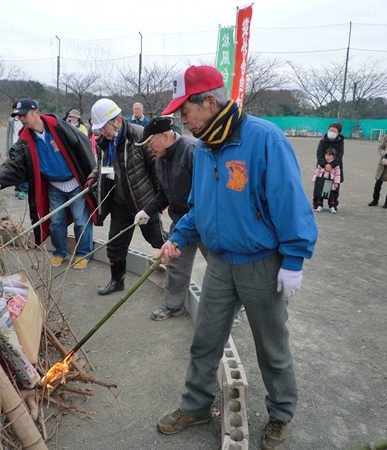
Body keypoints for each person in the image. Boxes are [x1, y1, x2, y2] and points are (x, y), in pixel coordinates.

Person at [154, 66, 317, 450]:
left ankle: (280, 415)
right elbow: (198, 207)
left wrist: (294, 260)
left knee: (271, 347)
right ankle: (195, 406)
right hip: (221, 265)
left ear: (209, 102)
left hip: (261, 263)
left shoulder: (264, 139)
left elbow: (290, 203)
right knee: (205, 339)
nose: (182, 119)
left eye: (185, 111)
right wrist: (178, 235)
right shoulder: (205, 146)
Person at [0, 98, 96, 268]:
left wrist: (91, 175)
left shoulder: (59, 128)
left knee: (81, 220)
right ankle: (60, 251)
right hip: (54, 186)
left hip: (75, 183)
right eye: (19, 116)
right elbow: (14, 162)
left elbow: (82, 145)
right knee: (56, 222)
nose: (22, 119)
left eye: (24, 115)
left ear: (36, 113)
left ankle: (83, 252)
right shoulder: (25, 139)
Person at [86, 98, 166, 295]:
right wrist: (92, 179)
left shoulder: (139, 135)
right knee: (115, 245)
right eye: (99, 128)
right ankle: (117, 281)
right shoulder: (104, 143)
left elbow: (157, 170)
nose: (101, 132)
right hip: (119, 203)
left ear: (117, 120)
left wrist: (158, 203)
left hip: (143, 202)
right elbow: (102, 166)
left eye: (104, 127)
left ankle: (176, 282)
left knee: (159, 241)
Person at [136, 116, 206, 320]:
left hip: (205, 218)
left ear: (166, 136)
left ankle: (236, 307)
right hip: (181, 220)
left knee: (221, 266)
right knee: (175, 263)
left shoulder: (193, 151)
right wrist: (148, 211)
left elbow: (206, 192)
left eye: (150, 142)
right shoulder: (160, 159)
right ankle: (174, 304)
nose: (149, 148)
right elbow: (164, 193)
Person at [315, 122, 344, 211]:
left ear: (338, 133)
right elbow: (319, 154)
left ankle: (333, 204)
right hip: (322, 168)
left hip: (335, 168)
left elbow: (340, 156)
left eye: (334, 131)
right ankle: (317, 204)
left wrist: (331, 165)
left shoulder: (340, 143)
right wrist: (324, 165)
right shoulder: (322, 141)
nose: (331, 132)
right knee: (320, 186)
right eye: (330, 130)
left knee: (334, 187)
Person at [312, 148, 341, 213]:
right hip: (321, 182)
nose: (328, 157)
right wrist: (315, 180)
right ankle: (320, 205)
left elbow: (337, 175)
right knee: (320, 196)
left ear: (333, 157)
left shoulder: (336, 166)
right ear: (324, 155)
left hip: (330, 184)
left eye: (330, 156)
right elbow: (317, 172)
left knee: (331, 196)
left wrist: (336, 183)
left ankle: (331, 207)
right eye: (327, 155)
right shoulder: (321, 164)